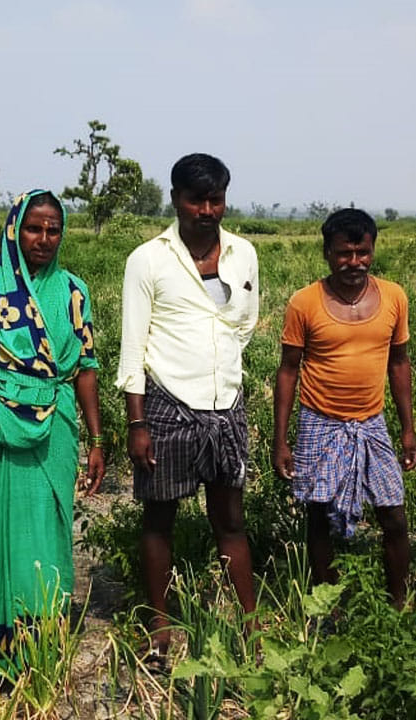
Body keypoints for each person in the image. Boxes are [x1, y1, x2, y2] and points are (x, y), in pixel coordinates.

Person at [0, 190, 105, 709]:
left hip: (55, 431)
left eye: (53, 230)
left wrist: (98, 440)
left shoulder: (75, 292)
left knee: (44, 543)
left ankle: (39, 659)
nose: (44, 240)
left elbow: (87, 369)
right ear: (15, 229)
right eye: (34, 228)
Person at [117, 153, 259, 662]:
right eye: (196, 199)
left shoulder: (244, 254)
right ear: (175, 198)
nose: (206, 209)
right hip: (166, 404)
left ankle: (248, 624)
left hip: (227, 405)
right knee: (159, 519)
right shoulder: (148, 259)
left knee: (230, 519)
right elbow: (132, 346)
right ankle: (158, 623)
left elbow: (243, 325)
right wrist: (138, 423)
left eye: (215, 199)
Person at [272, 208, 416, 607]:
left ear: (372, 251)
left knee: (393, 516)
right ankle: (326, 606)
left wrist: (407, 429)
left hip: (372, 422)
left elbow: (399, 363)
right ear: (327, 253)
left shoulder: (394, 297)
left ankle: (398, 605)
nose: (354, 262)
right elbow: (288, 371)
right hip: (319, 422)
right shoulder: (304, 302)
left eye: (362, 252)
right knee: (318, 517)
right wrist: (280, 440)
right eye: (344, 253)